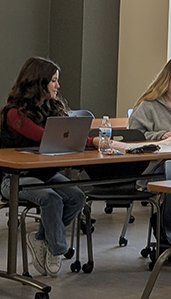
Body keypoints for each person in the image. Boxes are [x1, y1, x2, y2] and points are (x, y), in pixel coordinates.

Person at [0, 56, 98, 277]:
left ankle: (41, 238)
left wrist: (89, 142)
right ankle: (58, 249)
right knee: (51, 199)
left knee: (77, 197)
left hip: (45, 175)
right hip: (15, 179)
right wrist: (92, 142)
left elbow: (68, 136)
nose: (58, 86)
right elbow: (48, 138)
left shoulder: (52, 107)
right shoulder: (14, 113)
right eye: (53, 80)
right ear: (38, 82)